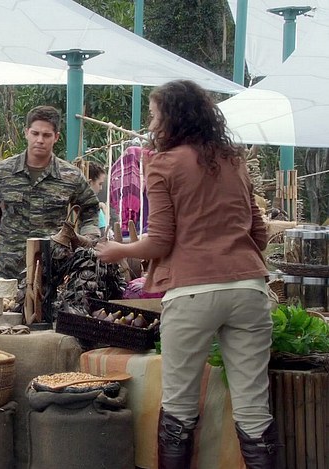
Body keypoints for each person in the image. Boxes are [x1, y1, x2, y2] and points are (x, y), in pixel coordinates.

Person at [95, 80, 277, 469]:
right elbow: (259, 234)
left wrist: (118, 250)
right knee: (253, 408)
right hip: (249, 287)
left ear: (172, 118)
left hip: (192, 291)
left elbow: (160, 241)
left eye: (154, 114)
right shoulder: (233, 160)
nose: (151, 122)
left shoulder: (163, 164)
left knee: (179, 407)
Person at [0, 105, 100, 280]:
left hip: (54, 272)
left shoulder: (70, 176)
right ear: (26, 133)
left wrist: (86, 241)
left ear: (56, 137)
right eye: (35, 133)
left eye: (46, 135)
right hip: (9, 270)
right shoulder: (3, 172)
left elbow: (90, 209)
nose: (40, 140)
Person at [87, 161, 109, 235]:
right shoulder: (93, 209)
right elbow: (103, 234)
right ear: (90, 183)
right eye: (100, 184)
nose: (101, 188)